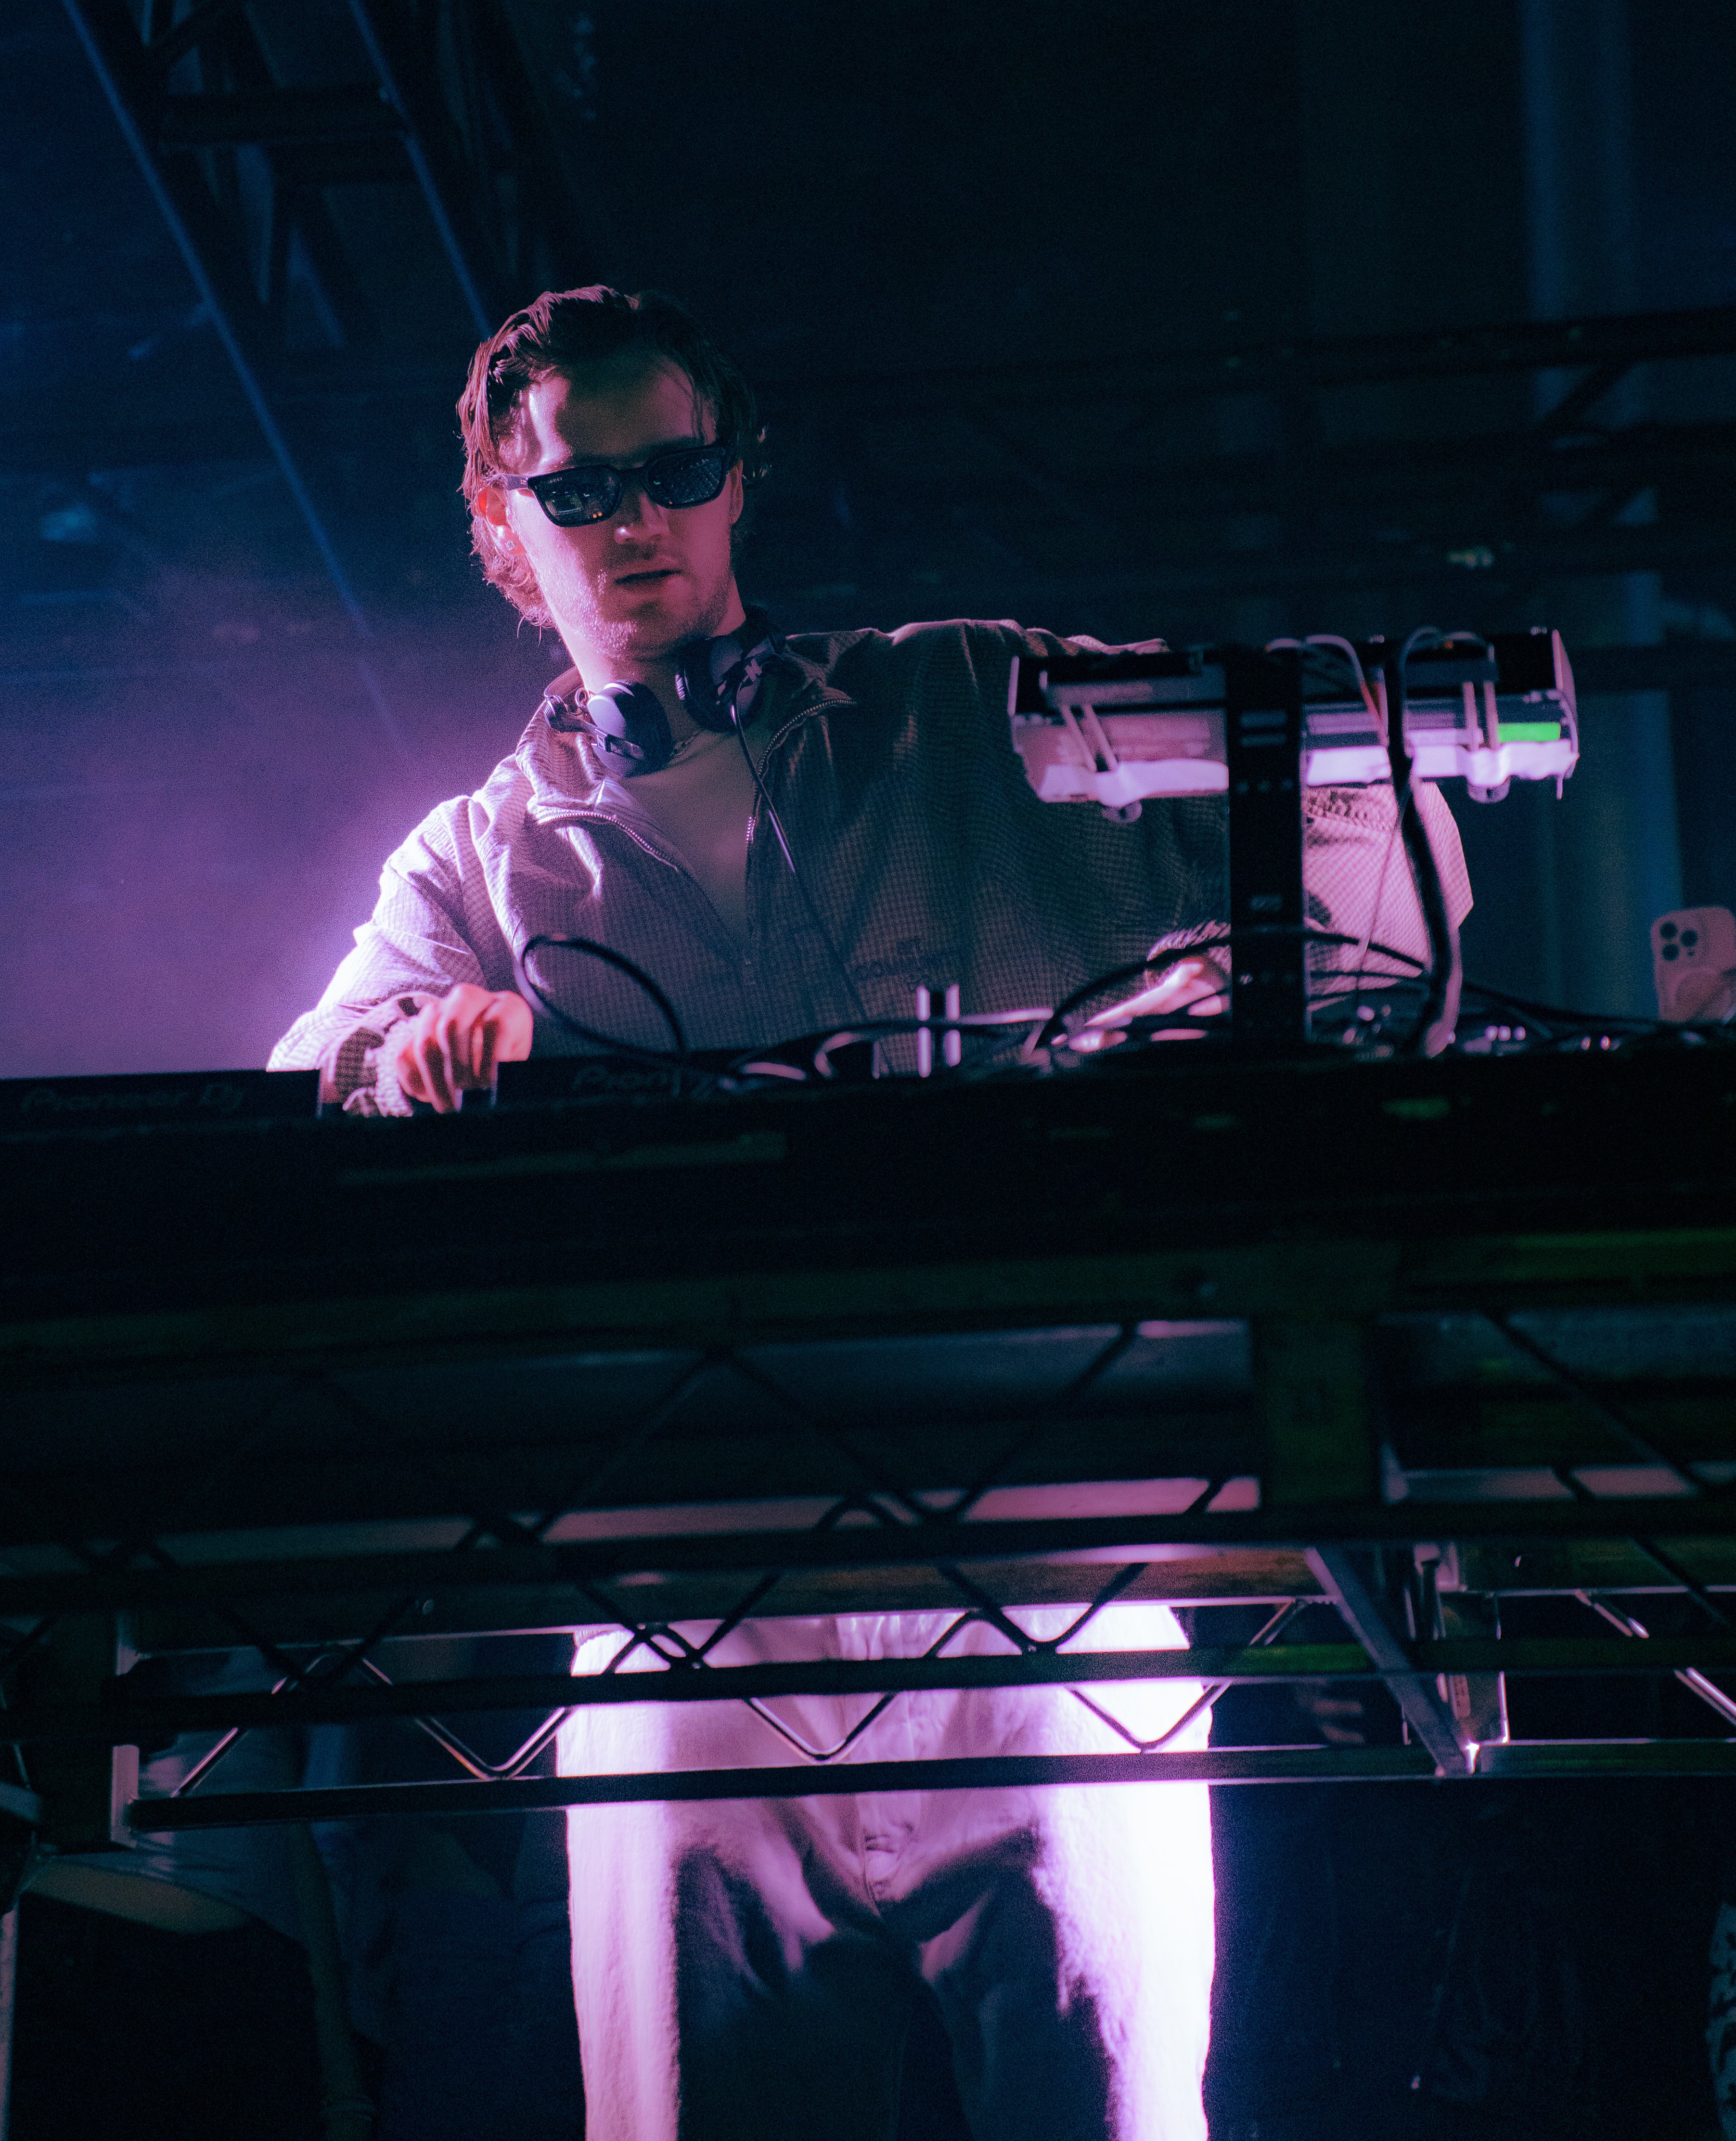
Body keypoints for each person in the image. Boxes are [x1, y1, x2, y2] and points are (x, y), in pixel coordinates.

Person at [271, 283, 1470, 2140]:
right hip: (694, 1629)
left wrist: (1336, 802)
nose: (641, 519)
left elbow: (1347, 841)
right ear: (504, 525)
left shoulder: (970, 698)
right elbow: (307, 1068)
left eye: (677, 472)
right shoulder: (476, 860)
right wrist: (405, 1048)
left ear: (739, 482)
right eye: (583, 491)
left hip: (1059, 1583)